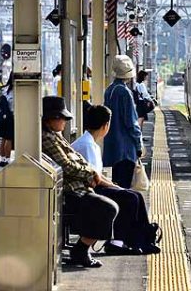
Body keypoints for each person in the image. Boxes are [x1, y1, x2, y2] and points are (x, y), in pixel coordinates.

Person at [41, 96, 118, 268]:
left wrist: (89, 172)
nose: (65, 122)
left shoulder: (54, 135)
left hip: (76, 188)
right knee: (108, 208)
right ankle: (81, 250)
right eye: (63, 118)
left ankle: (82, 249)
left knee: (109, 205)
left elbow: (78, 160)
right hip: (69, 191)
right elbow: (67, 166)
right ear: (52, 119)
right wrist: (90, 173)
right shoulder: (48, 138)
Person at [72, 105, 160, 255]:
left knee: (135, 195)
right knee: (129, 197)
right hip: (87, 191)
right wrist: (116, 187)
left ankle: (141, 240)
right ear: (106, 125)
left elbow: (96, 174)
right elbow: (95, 178)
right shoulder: (87, 145)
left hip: (90, 188)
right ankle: (120, 242)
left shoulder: (89, 143)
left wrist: (114, 185)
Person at [104, 55, 143, 188]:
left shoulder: (109, 90)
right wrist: (139, 145)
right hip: (126, 149)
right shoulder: (125, 92)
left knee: (117, 186)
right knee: (125, 187)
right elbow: (132, 123)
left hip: (113, 147)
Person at [0, 75, 14, 167]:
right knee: (8, 139)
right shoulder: (16, 90)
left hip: (2, 117)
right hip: (10, 117)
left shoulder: (6, 89)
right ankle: (7, 160)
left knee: (3, 139)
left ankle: (3, 159)